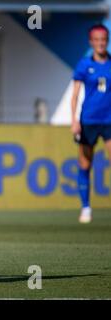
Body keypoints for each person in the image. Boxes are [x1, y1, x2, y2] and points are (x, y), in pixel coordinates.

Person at [71, 24, 111, 224]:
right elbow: (75, 94)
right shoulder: (84, 64)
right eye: (97, 39)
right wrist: (74, 120)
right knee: (85, 164)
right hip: (88, 120)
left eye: (104, 39)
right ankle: (86, 207)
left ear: (108, 40)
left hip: (109, 120)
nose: (101, 43)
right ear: (91, 42)